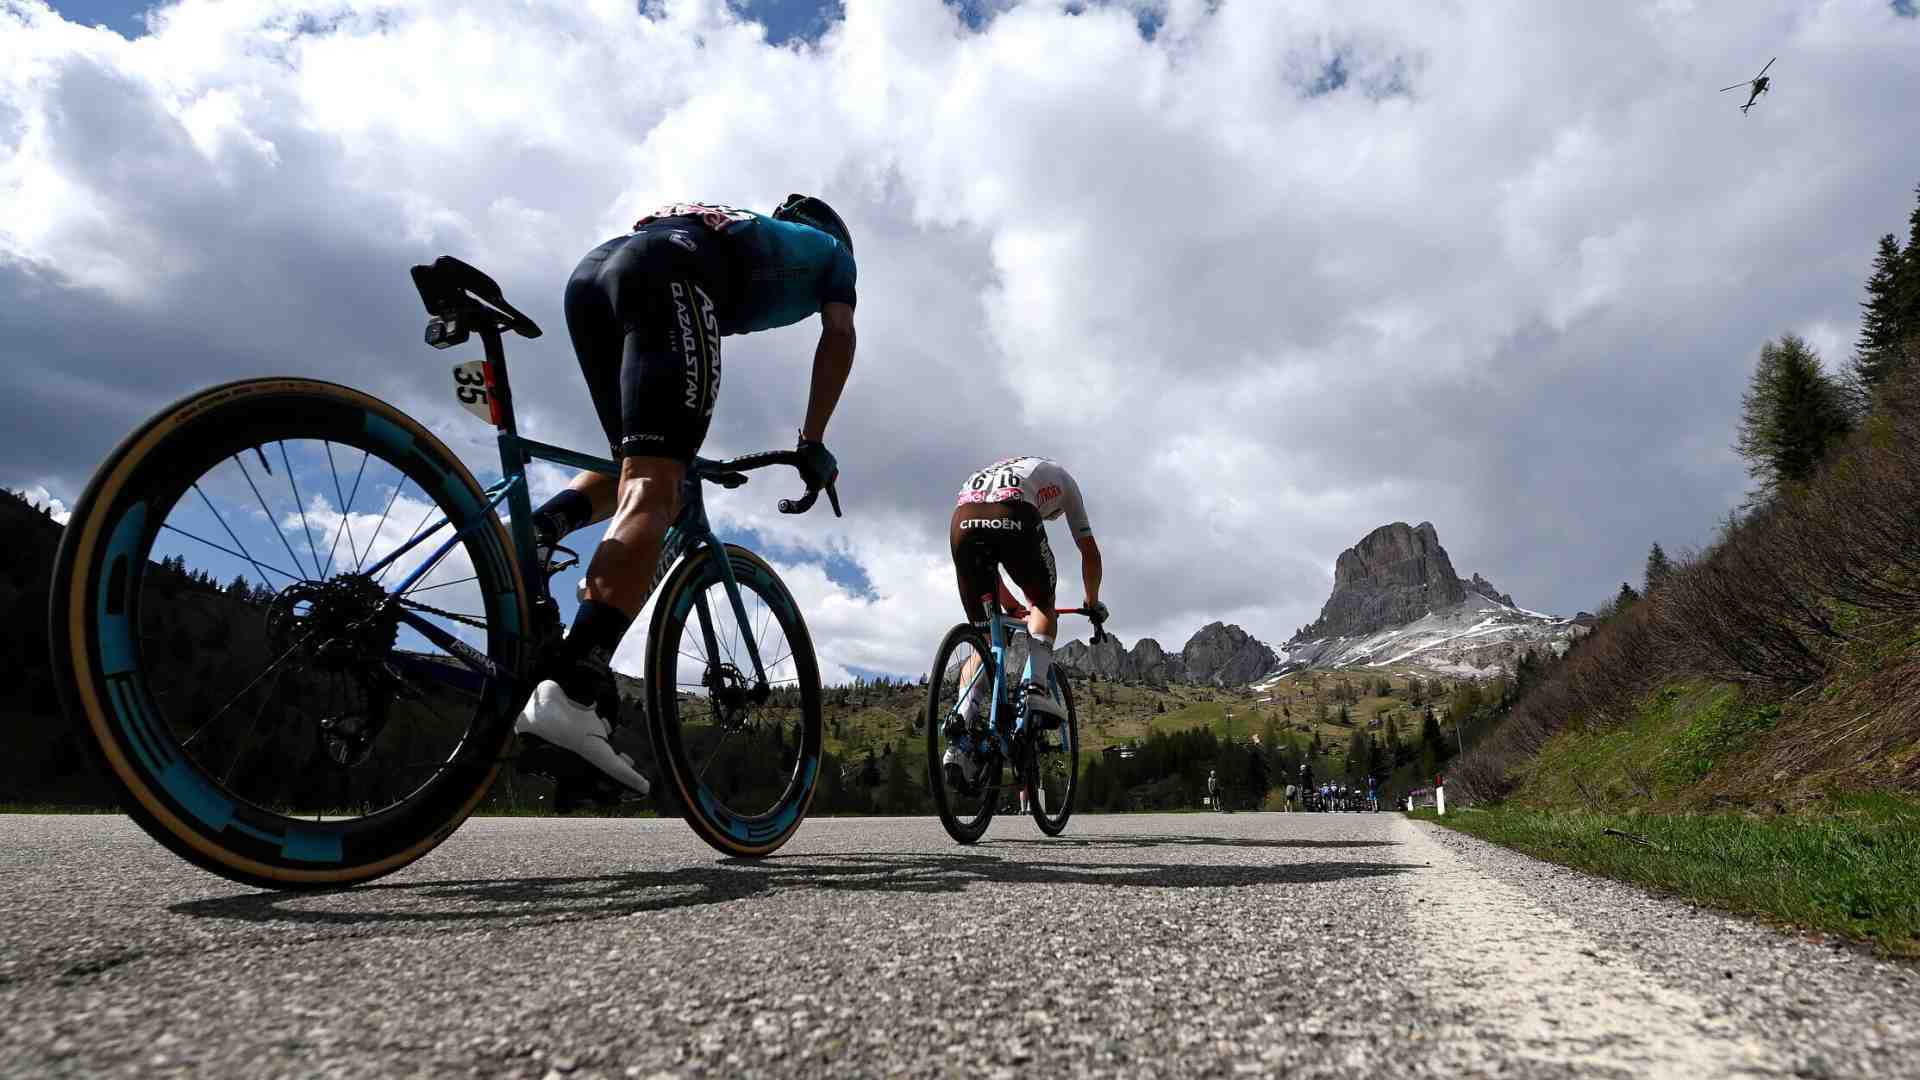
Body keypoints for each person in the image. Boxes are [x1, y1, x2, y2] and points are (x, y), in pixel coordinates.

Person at [514, 196, 858, 798]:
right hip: (667, 274)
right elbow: (839, 334)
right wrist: (813, 441)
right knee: (656, 487)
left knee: (638, 463)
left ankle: (532, 537)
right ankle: (572, 692)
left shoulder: (745, 226)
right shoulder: (832, 254)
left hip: (595, 272)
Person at [941, 456, 1103, 789]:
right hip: (1013, 513)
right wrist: (1091, 601)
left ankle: (962, 727)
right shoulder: (1067, 484)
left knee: (986, 642)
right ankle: (1035, 689)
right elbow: (1089, 551)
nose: (1052, 517)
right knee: (1043, 602)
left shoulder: (1000, 470)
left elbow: (991, 561)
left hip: (962, 522)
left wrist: (1011, 605)